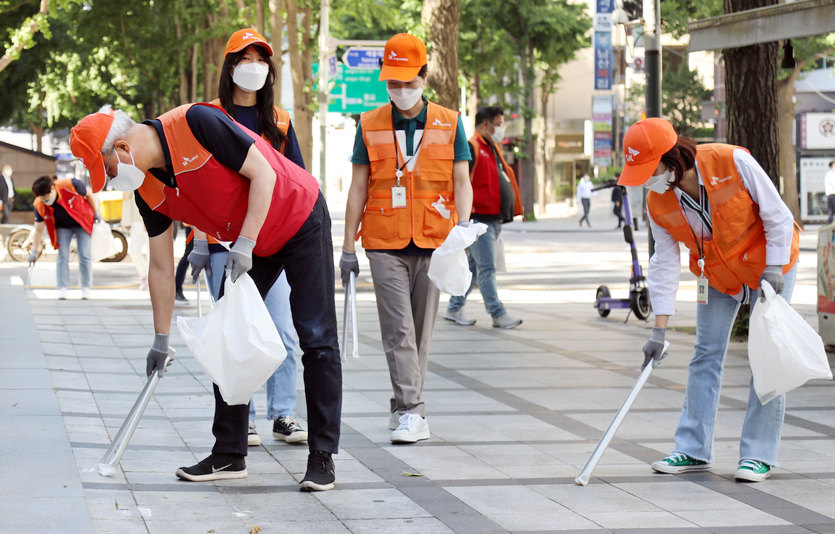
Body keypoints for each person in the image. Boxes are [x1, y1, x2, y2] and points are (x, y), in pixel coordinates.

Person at [69, 99, 341, 491]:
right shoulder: (146, 188)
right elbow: (161, 266)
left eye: (108, 170)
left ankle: (322, 456)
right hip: (255, 242)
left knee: (315, 336)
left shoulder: (197, 122)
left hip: (297, 216)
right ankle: (230, 454)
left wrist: (244, 245)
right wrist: (161, 339)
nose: (111, 180)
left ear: (123, 148)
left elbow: (263, 174)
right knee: (227, 335)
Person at [617, 118, 800, 483]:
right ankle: (693, 449)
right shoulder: (657, 202)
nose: (643, 180)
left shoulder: (731, 162)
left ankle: (758, 455)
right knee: (705, 353)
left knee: (767, 356)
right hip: (717, 276)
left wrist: (775, 267)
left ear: (669, 158)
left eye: (646, 168)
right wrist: (659, 331)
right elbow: (663, 263)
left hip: (771, 267)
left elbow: (777, 216)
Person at [340, 33, 473, 444]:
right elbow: (358, 187)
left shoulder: (450, 122)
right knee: (398, 329)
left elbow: (462, 180)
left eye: (406, 81)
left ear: (424, 75)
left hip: (434, 240)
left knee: (420, 332)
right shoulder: (369, 123)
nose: (399, 89)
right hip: (383, 241)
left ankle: (402, 405)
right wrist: (347, 246)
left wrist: (463, 229)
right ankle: (415, 413)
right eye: (392, 82)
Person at [190, 28, 308, 447]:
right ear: (231, 66)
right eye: (245, 58)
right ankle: (245, 418)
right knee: (235, 332)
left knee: (281, 330)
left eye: (260, 59)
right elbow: (196, 185)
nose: (253, 67)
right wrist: (201, 242)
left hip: (271, 241)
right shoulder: (209, 116)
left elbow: (297, 180)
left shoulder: (279, 120)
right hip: (225, 241)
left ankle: (284, 413)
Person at [443, 106, 522, 329]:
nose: (502, 128)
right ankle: (497, 313)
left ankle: (454, 307)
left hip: (493, 220)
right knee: (487, 268)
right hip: (479, 220)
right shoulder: (473, 146)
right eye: (499, 123)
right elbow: (460, 181)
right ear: (486, 124)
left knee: (475, 269)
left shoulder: (492, 147)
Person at [28, 175, 100, 299]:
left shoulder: (70, 184)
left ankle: (85, 287)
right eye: (42, 198)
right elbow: (38, 230)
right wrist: (34, 251)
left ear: (52, 188)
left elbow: (88, 194)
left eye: (46, 197)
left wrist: (96, 212)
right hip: (62, 227)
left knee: (84, 254)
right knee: (62, 255)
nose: (45, 200)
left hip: (83, 222)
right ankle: (63, 287)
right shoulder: (39, 204)